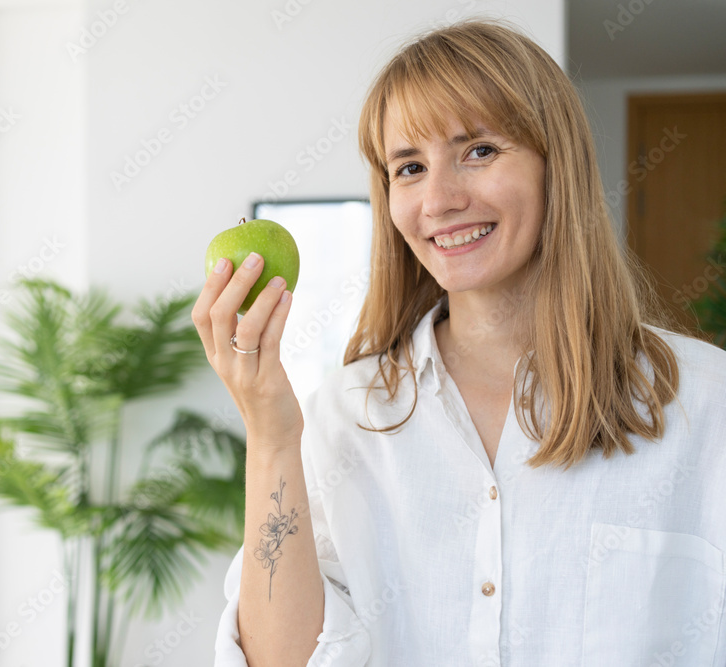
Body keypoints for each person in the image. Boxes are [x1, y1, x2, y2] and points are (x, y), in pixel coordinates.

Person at [191, 18, 726, 667]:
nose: (439, 199)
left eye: (478, 150)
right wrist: (272, 434)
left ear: (558, 164)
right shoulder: (349, 417)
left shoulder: (704, 401)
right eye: (409, 167)